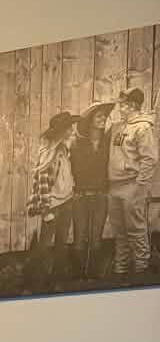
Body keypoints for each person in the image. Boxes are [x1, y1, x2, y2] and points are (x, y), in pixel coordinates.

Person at [106, 84, 158, 281]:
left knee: (135, 228)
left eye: (124, 105)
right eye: (121, 104)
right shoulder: (118, 127)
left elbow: (149, 159)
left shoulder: (143, 128)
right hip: (114, 186)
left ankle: (141, 267)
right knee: (119, 230)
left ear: (134, 106)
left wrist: (140, 187)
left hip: (132, 185)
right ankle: (121, 267)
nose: (120, 108)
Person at [25, 110, 76, 289]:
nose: (72, 130)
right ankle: (36, 280)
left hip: (67, 201)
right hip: (53, 205)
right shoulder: (48, 153)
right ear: (61, 130)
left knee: (62, 242)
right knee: (45, 244)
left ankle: (57, 278)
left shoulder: (64, 148)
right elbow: (43, 184)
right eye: (69, 128)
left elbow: (66, 175)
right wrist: (46, 211)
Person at [71, 101, 114, 279]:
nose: (103, 118)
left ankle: (93, 274)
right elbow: (72, 169)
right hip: (80, 196)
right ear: (89, 121)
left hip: (101, 196)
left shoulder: (108, 141)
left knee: (96, 237)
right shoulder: (77, 143)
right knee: (80, 236)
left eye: (105, 115)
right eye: (99, 116)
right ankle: (78, 274)